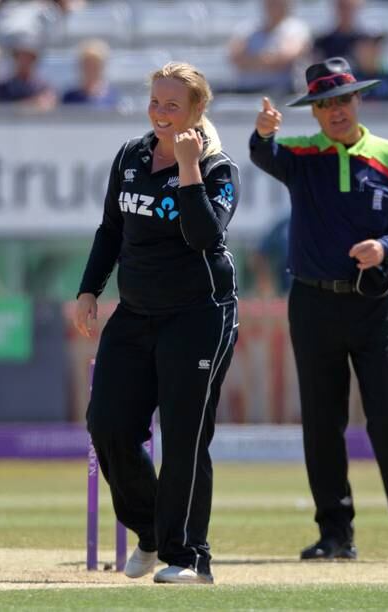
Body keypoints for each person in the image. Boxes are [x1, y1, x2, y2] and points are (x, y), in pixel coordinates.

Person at [249, 56, 388, 564]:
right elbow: (263, 155)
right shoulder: (300, 154)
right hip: (312, 302)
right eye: (324, 104)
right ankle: (335, 535)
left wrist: (385, 249)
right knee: (321, 421)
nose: (336, 111)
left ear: (358, 100)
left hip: (372, 304)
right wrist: (262, 133)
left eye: (342, 100)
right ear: (314, 113)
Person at [74, 61, 240, 585]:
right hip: (136, 312)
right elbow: (110, 229)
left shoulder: (218, 169)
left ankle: (190, 558)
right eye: (155, 102)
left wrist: (188, 169)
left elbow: (203, 237)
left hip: (199, 316)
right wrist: (88, 289)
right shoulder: (130, 155)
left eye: (173, 105)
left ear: (196, 111)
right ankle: (150, 532)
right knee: (108, 425)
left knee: (185, 436)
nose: (161, 113)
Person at [226, 0, 311, 95]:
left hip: (280, 91)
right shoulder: (246, 28)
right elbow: (236, 58)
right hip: (245, 89)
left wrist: (251, 61)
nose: (274, 5)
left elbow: (285, 58)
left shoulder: (296, 28)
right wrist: (269, 59)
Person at [0, 31, 56, 110]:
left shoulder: (43, 87)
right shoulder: (1, 88)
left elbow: (47, 105)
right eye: (21, 56)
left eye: (29, 57)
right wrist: (31, 104)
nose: (24, 61)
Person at [61, 39, 119, 108]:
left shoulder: (114, 98)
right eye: (87, 64)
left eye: (95, 64)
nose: (91, 69)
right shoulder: (69, 97)